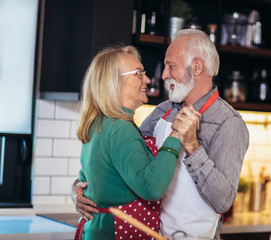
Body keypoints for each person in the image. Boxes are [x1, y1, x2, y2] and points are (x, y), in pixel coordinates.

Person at [73, 29, 249, 239]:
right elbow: (121, 162)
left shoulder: (227, 123)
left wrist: (192, 145)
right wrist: (79, 189)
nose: (163, 75)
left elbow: (223, 202)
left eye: (170, 66)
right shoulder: (162, 111)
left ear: (196, 67)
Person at [73, 45, 184, 240]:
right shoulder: (119, 129)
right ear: (114, 83)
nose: (147, 80)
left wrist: (75, 189)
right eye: (139, 74)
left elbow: (85, 181)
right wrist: (176, 136)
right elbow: (151, 187)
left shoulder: (98, 124)